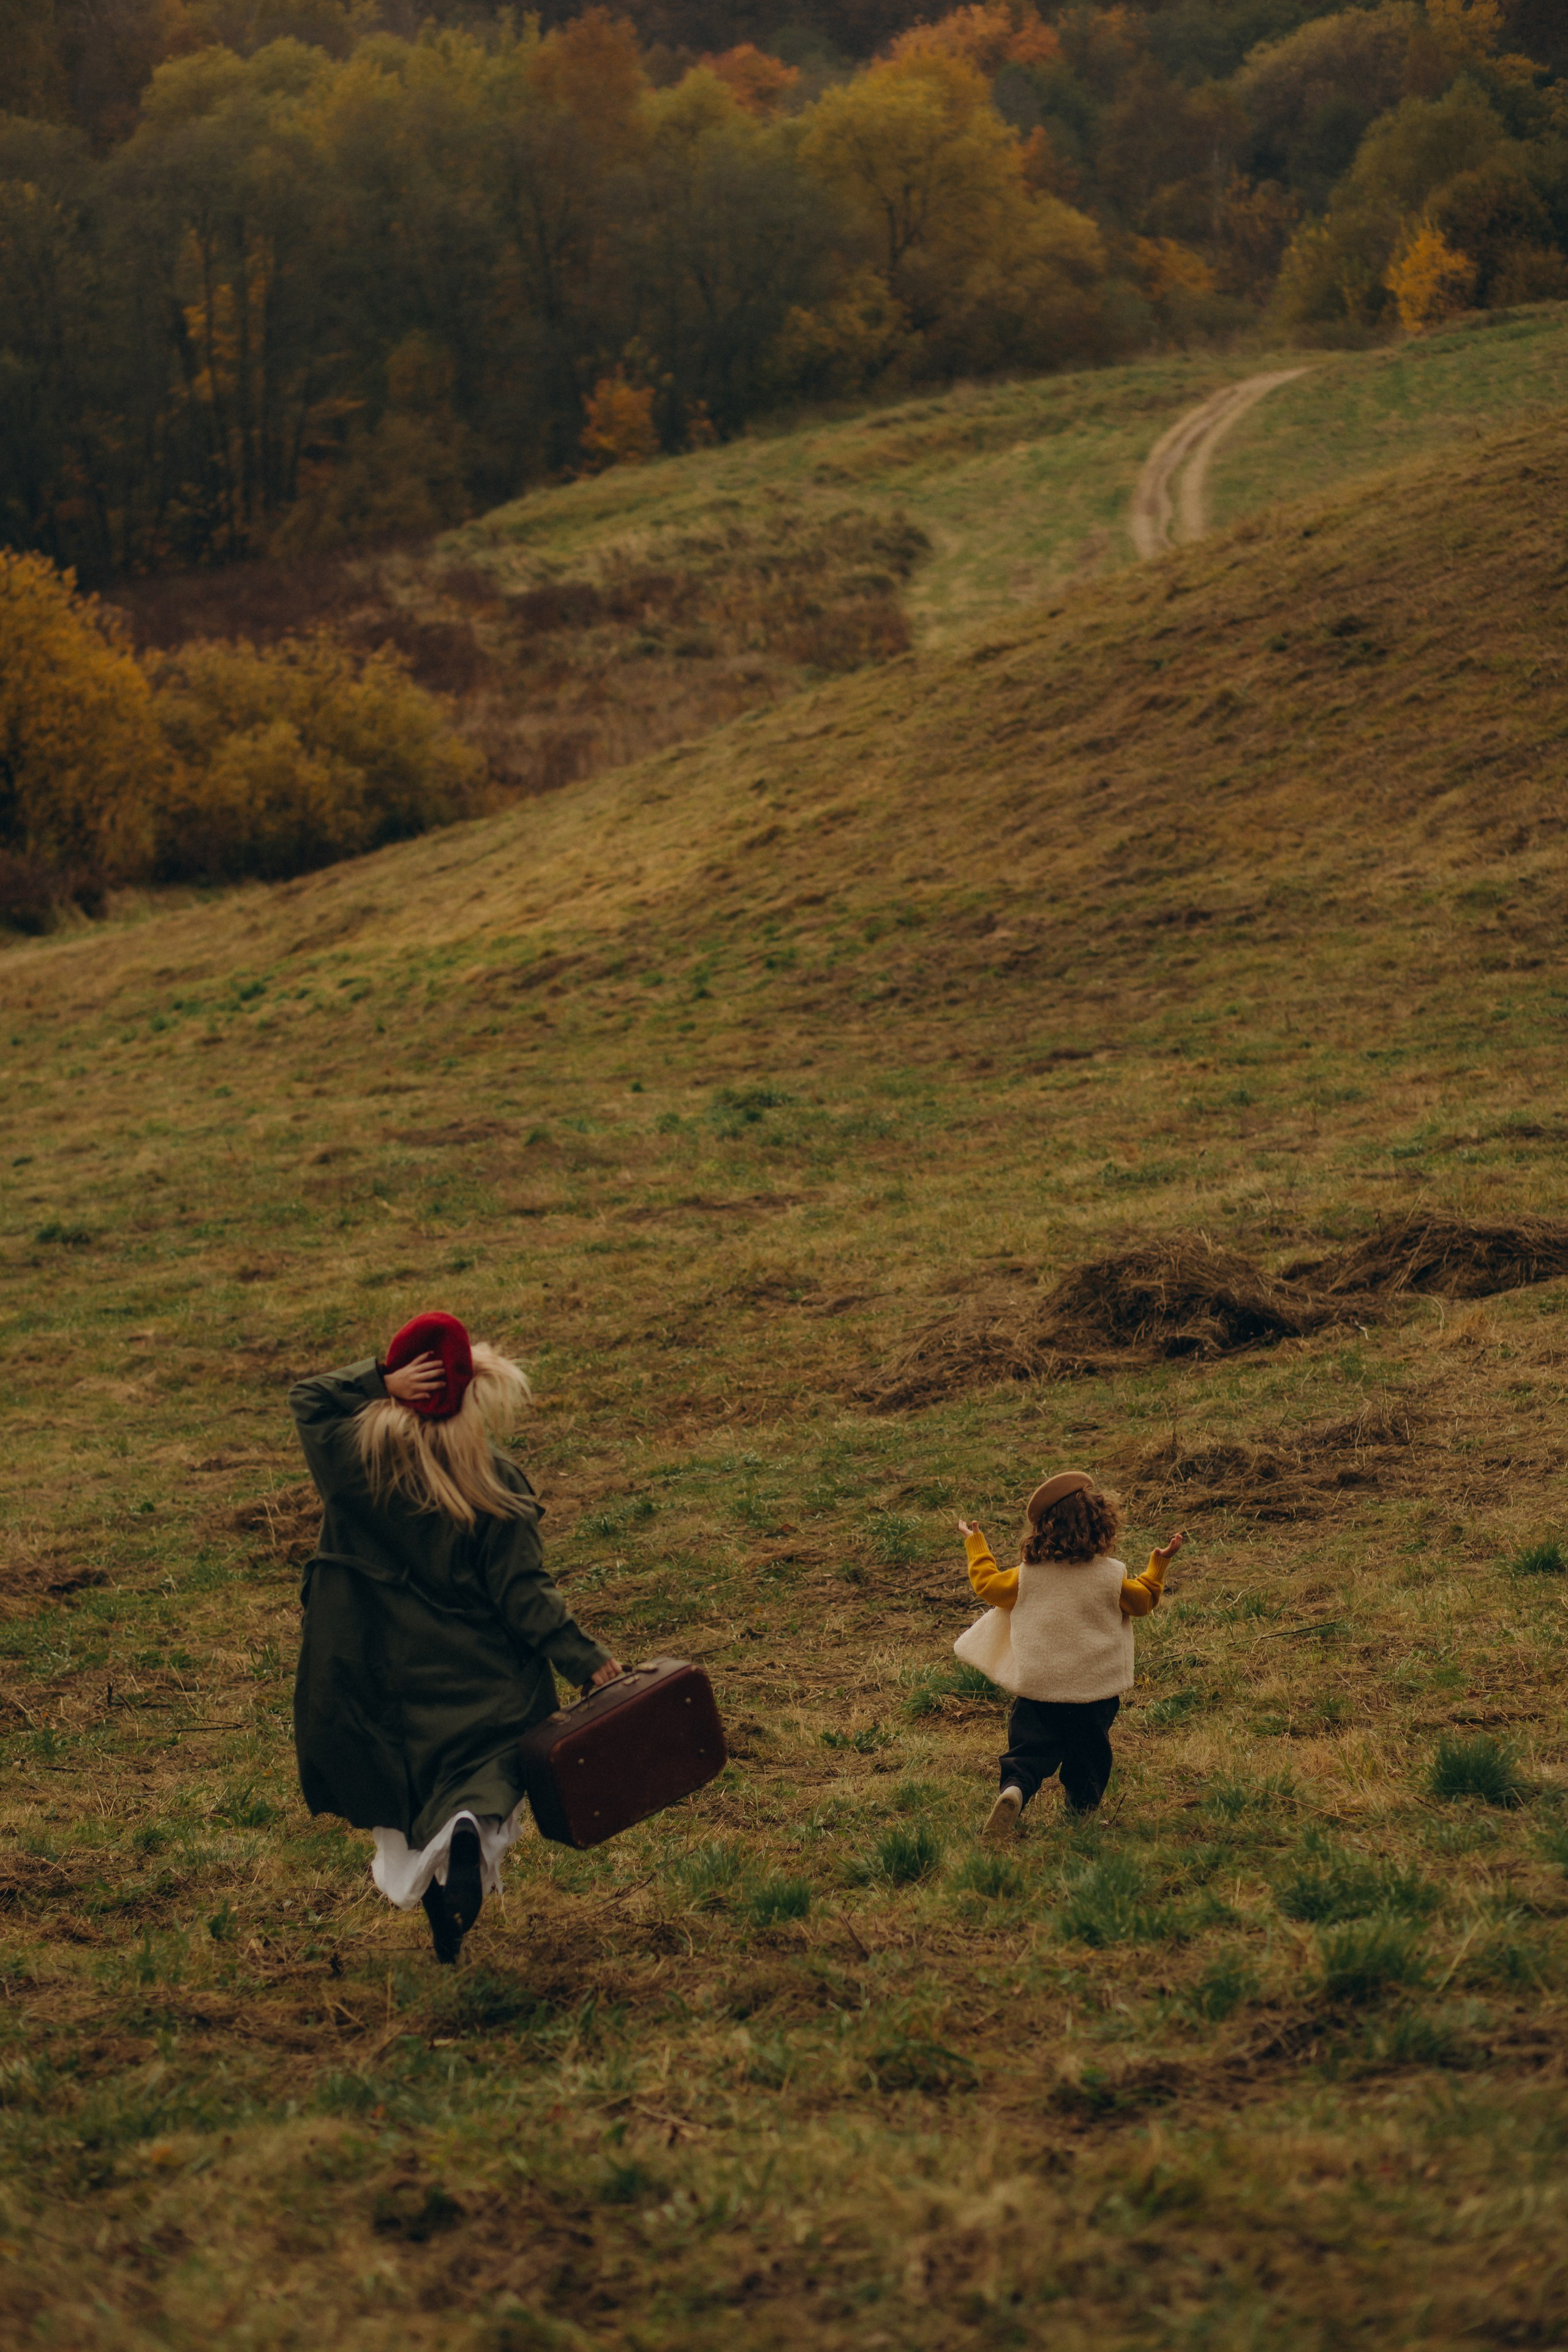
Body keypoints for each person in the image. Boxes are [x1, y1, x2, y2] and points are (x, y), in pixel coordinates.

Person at [288, 1311, 621, 1964]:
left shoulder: (355, 1463)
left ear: (404, 1382)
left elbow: (307, 1398)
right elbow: (525, 1594)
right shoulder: (492, 1478)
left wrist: (379, 1381)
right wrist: (585, 1660)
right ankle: (470, 1831)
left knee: (404, 1799)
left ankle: (441, 1901)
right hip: (479, 1681)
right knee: (485, 1783)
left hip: (374, 1679)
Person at [952, 1469, 1183, 1840]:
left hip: (1039, 1686)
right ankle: (1082, 1814)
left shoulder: (1027, 1575)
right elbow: (1143, 1601)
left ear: (1042, 1530)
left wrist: (976, 1545)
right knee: (1089, 1756)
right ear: (1100, 1525)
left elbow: (988, 1586)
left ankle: (1015, 1788)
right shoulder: (1111, 1576)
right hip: (1094, 1690)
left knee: (1028, 1749)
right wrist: (1157, 1566)